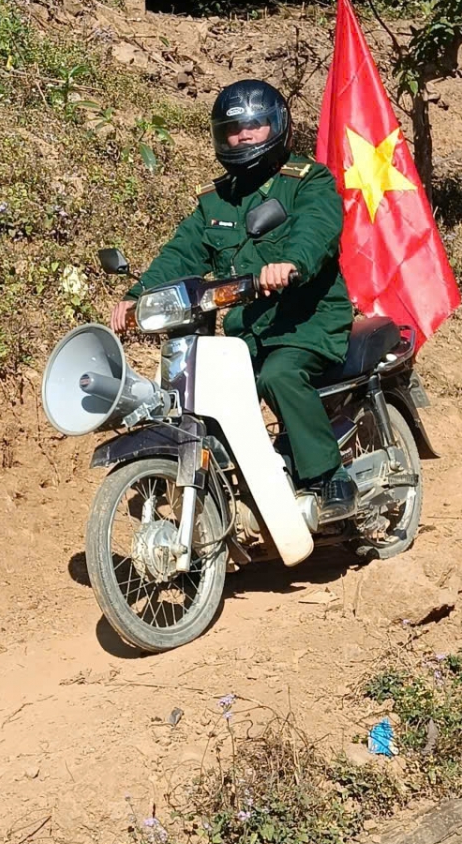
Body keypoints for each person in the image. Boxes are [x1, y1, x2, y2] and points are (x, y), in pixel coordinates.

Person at [110, 79, 357, 521]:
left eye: (255, 126)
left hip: (307, 321)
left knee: (280, 375)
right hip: (247, 330)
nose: (243, 137)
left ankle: (329, 477)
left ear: (276, 126)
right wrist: (136, 298)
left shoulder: (307, 181)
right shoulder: (216, 200)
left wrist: (291, 264)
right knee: (208, 390)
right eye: (233, 129)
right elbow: (182, 252)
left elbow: (317, 229)